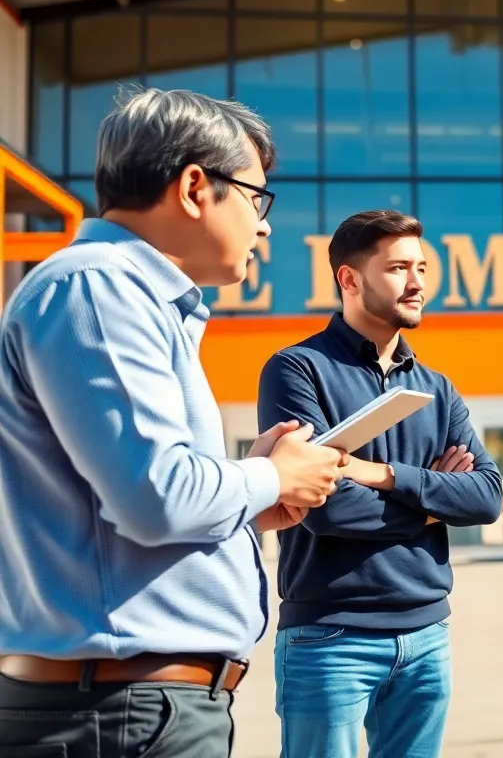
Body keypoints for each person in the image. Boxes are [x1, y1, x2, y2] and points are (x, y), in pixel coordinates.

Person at [0, 87, 347, 757]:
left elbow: (129, 509)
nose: (265, 224)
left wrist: (254, 496)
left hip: (130, 708)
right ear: (195, 187)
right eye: (256, 197)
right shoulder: (99, 287)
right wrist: (266, 476)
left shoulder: (125, 297)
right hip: (120, 713)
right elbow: (158, 497)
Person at [256, 209, 503, 758]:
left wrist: (382, 475)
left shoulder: (436, 388)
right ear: (349, 279)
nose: (417, 283)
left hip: (427, 635)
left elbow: (487, 497)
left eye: (421, 267)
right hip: (330, 638)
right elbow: (326, 509)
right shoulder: (297, 370)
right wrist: (436, 500)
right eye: (397, 268)